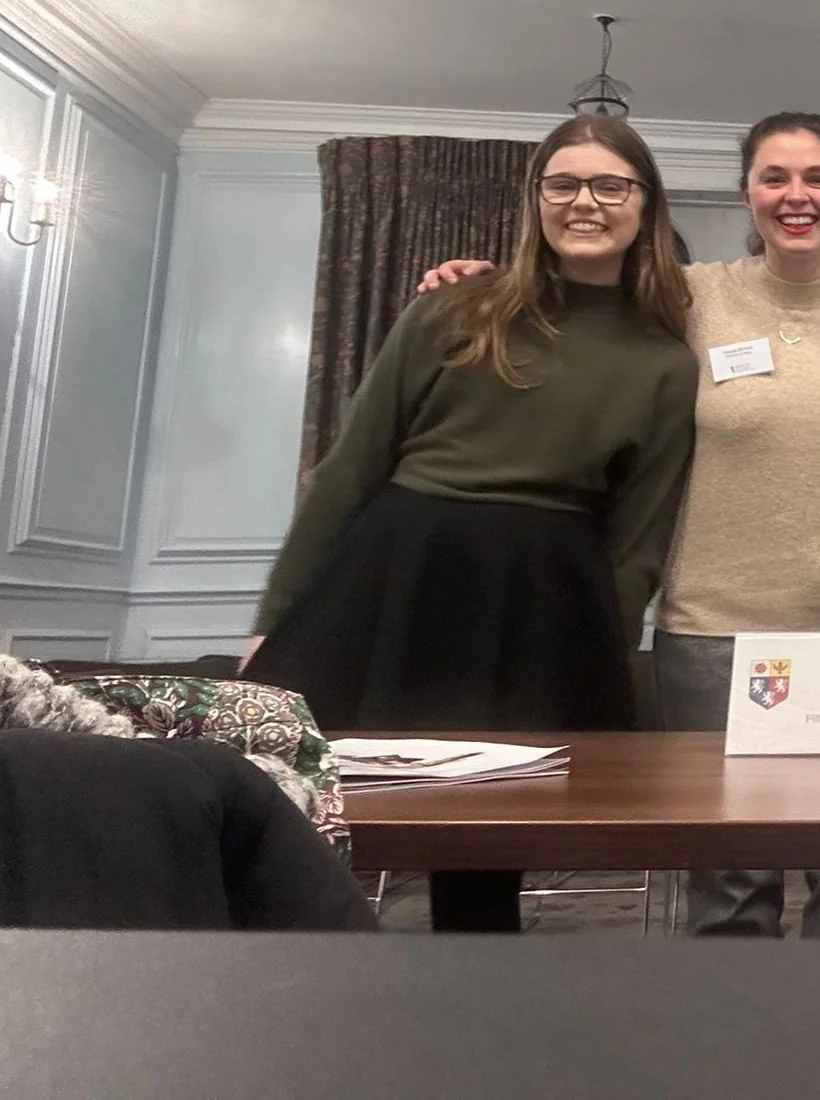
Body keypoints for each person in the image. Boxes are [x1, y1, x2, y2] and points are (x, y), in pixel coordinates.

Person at [421, 112, 820, 940]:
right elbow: (570, 310)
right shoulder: (688, 295)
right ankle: (727, 1049)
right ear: (747, 195)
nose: (796, 196)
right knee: (731, 876)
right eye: (774, 178)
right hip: (714, 629)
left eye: (816, 178)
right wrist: (486, 286)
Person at [244, 114, 698, 934]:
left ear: (644, 204)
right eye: (562, 183)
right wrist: (276, 616)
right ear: (535, 201)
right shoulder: (455, 308)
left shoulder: (665, 359)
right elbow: (350, 467)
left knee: (492, 838)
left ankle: (477, 1006)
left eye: (609, 185)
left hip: (545, 601)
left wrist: (607, 640)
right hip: (397, 570)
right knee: (311, 806)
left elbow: (641, 535)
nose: (584, 202)